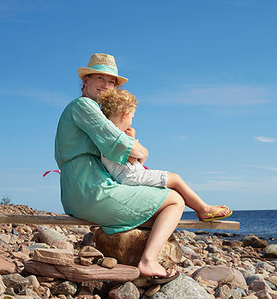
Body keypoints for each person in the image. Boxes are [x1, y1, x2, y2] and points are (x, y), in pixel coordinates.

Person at [54, 53, 232, 281]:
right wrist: (140, 148)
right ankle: (149, 260)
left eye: (111, 82)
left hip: (79, 191)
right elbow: (121, 146)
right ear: (85, 81)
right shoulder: (83, 105)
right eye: (100, 78)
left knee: (166, 193)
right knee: (175, 199)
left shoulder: (90, 110)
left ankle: (149, 249)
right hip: (91, 191)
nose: (106, 85)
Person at [96, 88, 233, 223]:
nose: (131, 121)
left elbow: (140, 159)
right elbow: (133, 160)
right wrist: (132, 139)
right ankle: (203, 209)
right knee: (175, 179)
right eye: (132, 117)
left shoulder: (106, 135)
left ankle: (194, 209)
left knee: (169, 182)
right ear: (124, 115)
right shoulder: (120, 137)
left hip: (127, 175)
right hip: (130, 176)